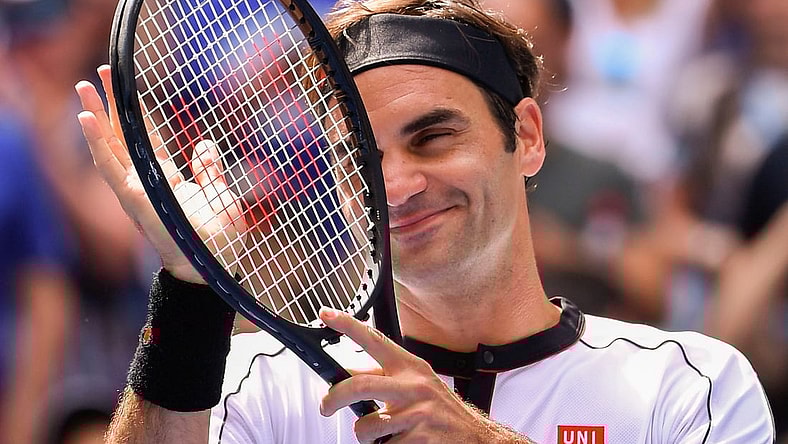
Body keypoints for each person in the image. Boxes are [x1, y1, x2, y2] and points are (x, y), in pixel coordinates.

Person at [75, 0, 774, 442]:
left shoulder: (694, 386)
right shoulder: (255, 383)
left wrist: (475, 440)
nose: (400, 183)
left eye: (433, 138)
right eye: (363, 159)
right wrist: (191, 297)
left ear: (526, 137)